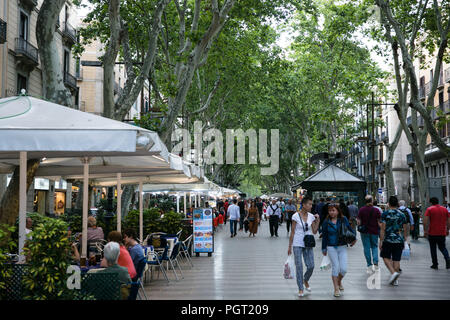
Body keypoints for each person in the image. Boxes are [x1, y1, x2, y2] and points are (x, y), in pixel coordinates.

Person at [322, 203, 356, 297]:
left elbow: (350, 229)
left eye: (333, 210)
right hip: (331, 246)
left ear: (337, 211)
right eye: (330, 210)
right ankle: (336, 288)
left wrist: (354, 238)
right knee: (335, 267)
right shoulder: (326, 221)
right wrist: (323, 248)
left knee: (344, 269)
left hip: (342, 246)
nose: (331, 212)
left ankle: (339, 281)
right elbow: (324, 236)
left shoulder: (343, 219)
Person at [288, 196, 320, 297]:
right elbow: (292, 232)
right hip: (297, 243)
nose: (311, 206)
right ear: (304, 205)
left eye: (311, 204)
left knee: (311, 265)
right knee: (299, 266)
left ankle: (305, 280)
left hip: (308, 243)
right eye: (309, 204)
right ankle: (300, 288)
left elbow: (314, 231)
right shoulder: (295, 216)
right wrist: (289, 246)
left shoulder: (311, 216)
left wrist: (317, 221)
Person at [379, 196, 408, 286]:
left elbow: (383, 229)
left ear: (389, 203)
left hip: (388, 240)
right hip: (399, 240)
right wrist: (405, 238)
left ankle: (393, 273)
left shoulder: (385, 214)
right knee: (397, 259)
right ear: (397, 204)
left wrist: (381, 240)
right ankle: (395, 280)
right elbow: (405, 228)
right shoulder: (402, 214)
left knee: (385, 256)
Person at [423, 197, 450, 269]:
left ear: (431, 202)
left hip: (432, 233)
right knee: (442, 247)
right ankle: (447, 259)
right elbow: (448, 220)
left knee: (433, 249)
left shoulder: (429, 209)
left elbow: (425, 221)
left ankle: (435, 264)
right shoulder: (444, 209)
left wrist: (425, 231)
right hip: (442, 232)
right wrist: (447, 229)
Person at [357, 195, 381, 273]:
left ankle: (369, 265)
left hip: (365, 232)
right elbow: (379, 222)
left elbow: (359, 222)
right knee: (374, 246)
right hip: (374, 231)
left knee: (366, 248)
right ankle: (375, 262)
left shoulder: (361, 210)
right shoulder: (376, 210)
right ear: (371, 201)